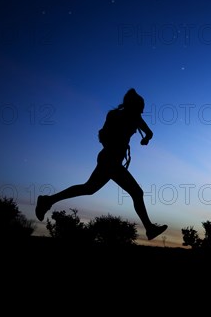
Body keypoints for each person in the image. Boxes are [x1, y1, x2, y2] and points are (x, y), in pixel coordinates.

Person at [35, 88, 168, 241]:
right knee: (137, 193)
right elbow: (102, 135)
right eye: (140, 107)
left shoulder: (136, 118)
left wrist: (145, 139)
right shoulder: (115, 116)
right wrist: (114, 143)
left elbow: (150, 132)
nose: (143, 111)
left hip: (112, 161)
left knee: (88, 188)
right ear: (132, 105)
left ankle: (47, 200)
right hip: (109, 160)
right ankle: (150, 228)